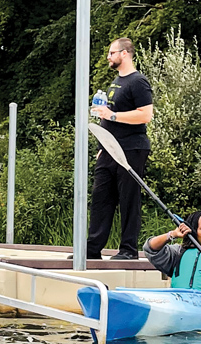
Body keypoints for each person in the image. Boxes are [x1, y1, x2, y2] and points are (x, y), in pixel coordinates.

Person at [87, 37, 153, 260]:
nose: (109, 56)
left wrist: (113, 115)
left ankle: (128, 250)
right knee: (100, 198)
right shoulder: (115, 82)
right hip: (108, 149)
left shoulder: (138, 82)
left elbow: (146, 114)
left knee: (128, 199)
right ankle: (92, 249)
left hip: (131, 149)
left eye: (112, 53)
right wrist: (101, 145)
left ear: (125, 54)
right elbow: (107, 118)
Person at [143, 212, 201, 289]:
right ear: (194, 231)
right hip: (179, 300)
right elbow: (150, 248)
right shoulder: (179, 252)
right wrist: (172, 234)